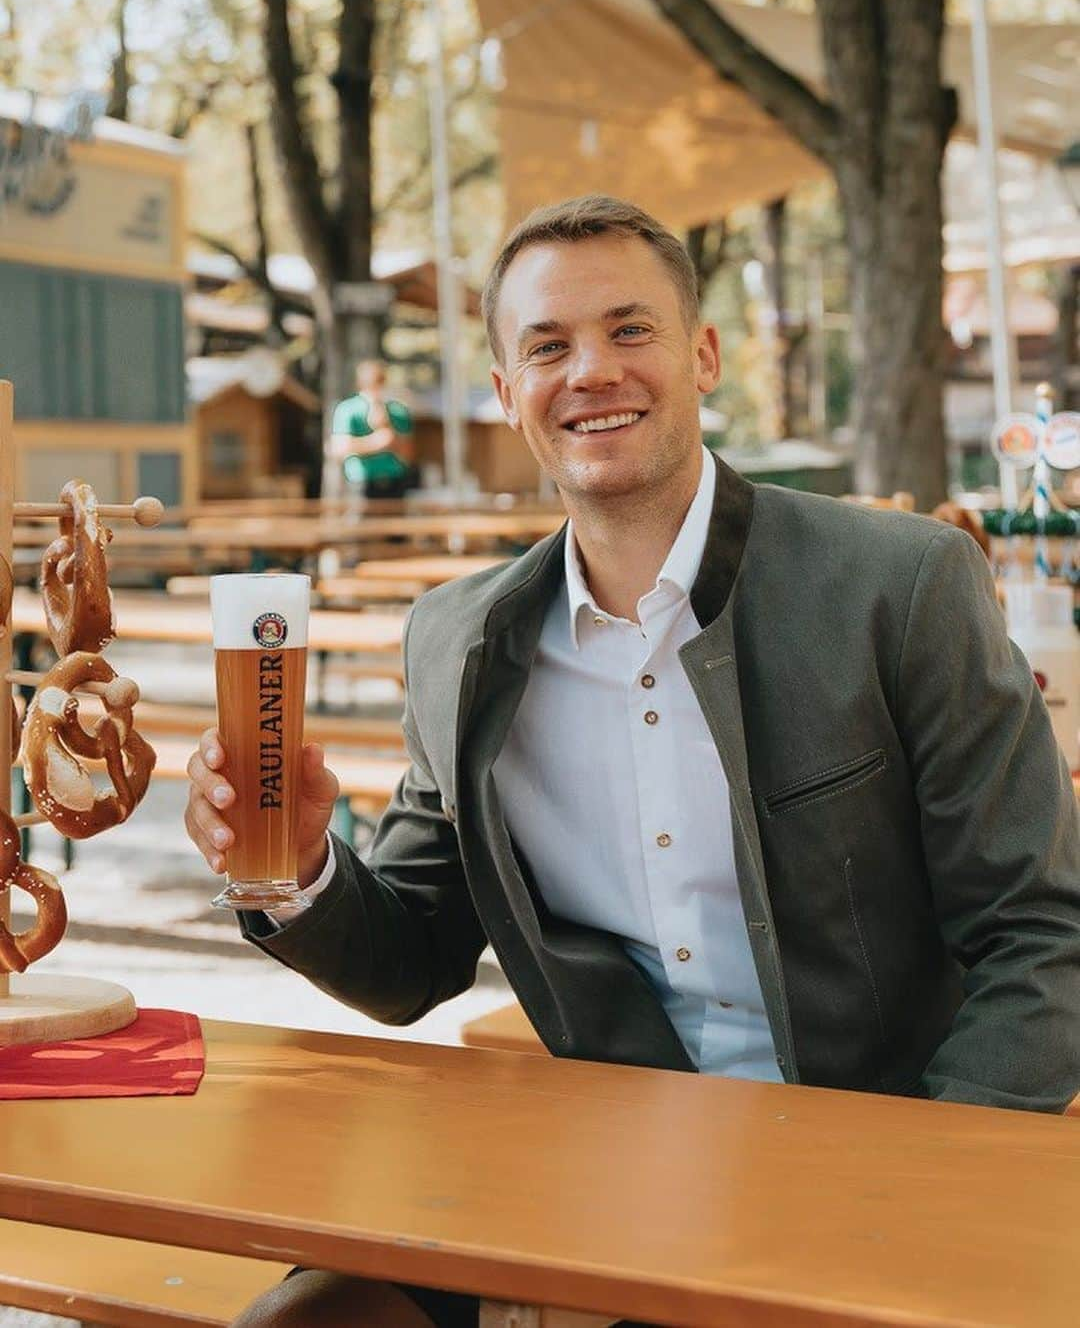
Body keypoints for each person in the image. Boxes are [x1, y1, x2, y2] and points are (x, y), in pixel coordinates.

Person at [186, 195, 1080, 1328]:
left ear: (703, 355)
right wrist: (300, 868)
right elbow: (412, 954)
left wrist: (933, 1185)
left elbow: (1043, 928)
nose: (592, 370)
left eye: (631, 330)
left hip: (874, 1170)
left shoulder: (897, 586)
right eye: (548, 347)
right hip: (590, 1172)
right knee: (298, 1323)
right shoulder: (454, 640)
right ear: (508, 394)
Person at [328, 358, 419, 501]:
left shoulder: (398, 411)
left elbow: (409, 453)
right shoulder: (348, 409)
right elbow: (338, 448)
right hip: (360, 483)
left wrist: (389, 433)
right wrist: (375, 443)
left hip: (395, 481)